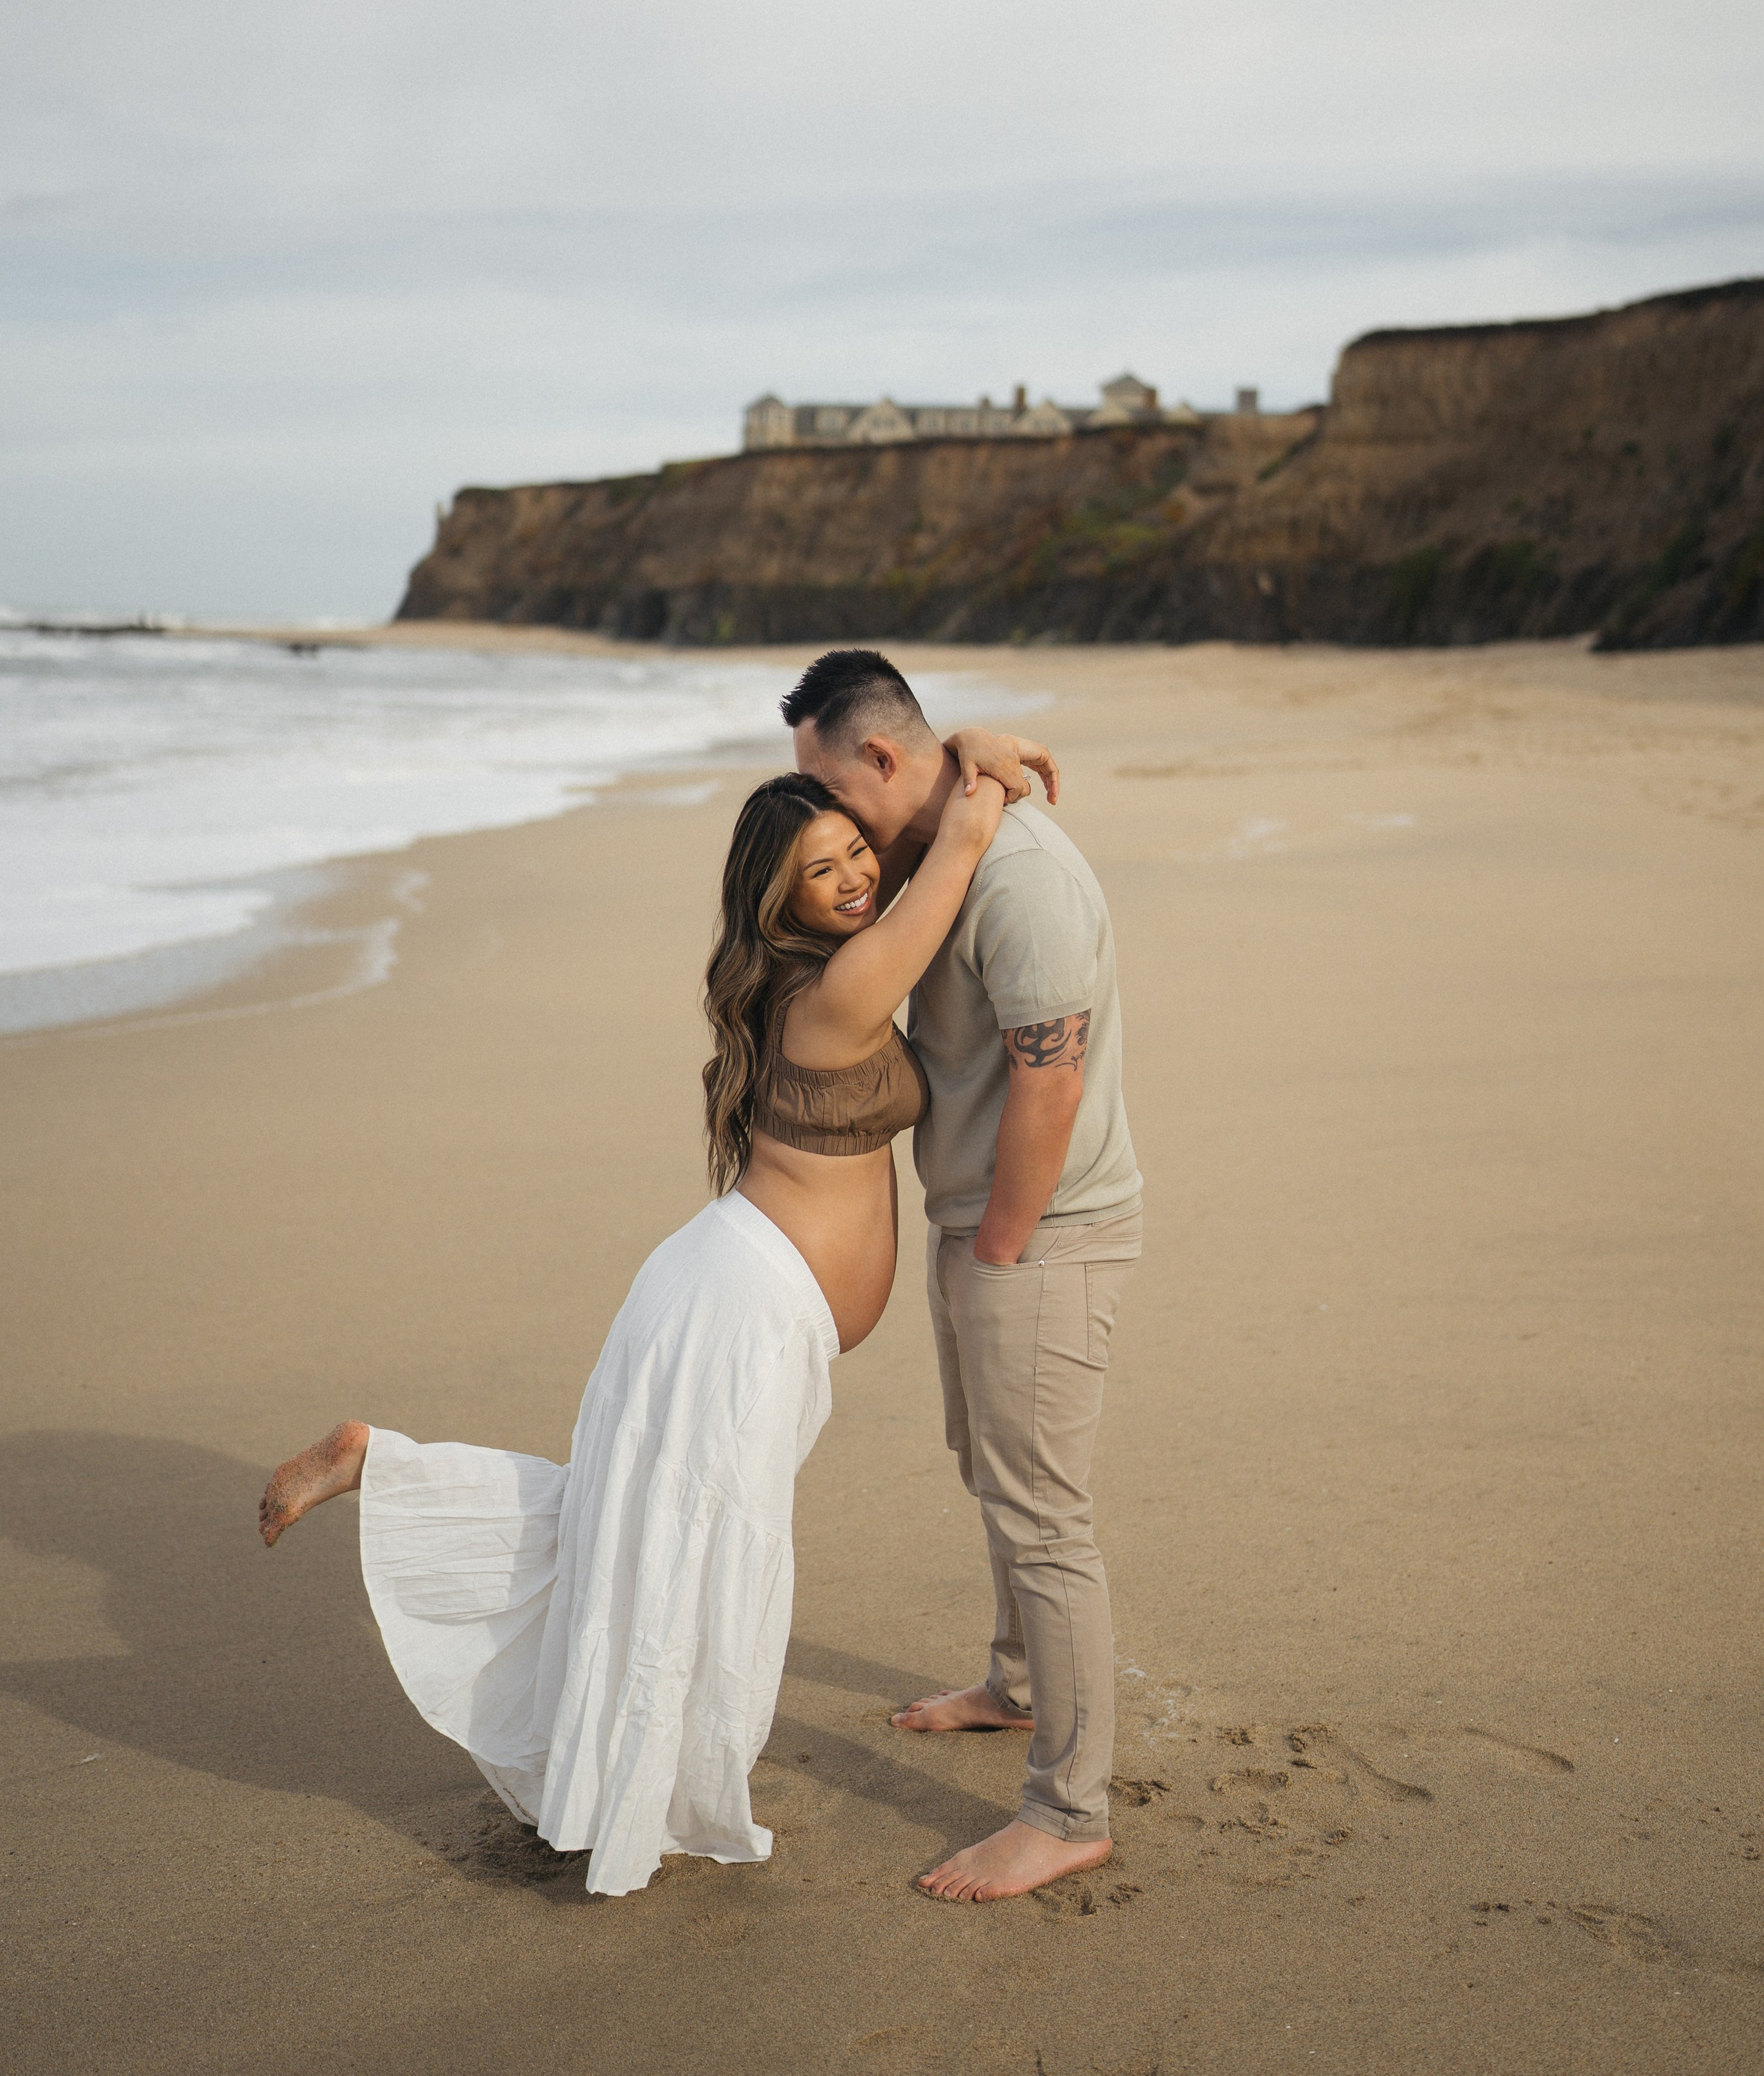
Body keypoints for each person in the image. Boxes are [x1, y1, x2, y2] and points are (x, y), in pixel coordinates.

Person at [255, 723, 1051, 1897]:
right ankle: (639, 1789)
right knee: (681, 1541)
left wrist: (960, 746)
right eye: (821, 869)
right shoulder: (835, 989)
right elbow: (964, 844)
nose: (854, 876)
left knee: (631, 1528)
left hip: (732, 1305)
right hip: (730, 1313)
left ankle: (393, 1466)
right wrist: (977, 754)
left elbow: (929, 861)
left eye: (854, 853)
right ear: (778, 901)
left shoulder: (825, 978)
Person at [785, 649, 1142, 1904]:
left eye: (833, 788)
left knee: (1044, 1513)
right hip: (981, 1217)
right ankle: (1019, 1686)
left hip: (1036, 1229)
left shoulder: (1023, 879)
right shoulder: (948, 844)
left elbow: (1051, 1077)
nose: (831, 826)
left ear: (884, 756)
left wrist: (998, 1244)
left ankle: (1068, 1808)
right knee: (989, 1468)